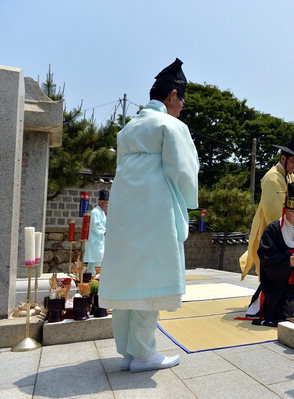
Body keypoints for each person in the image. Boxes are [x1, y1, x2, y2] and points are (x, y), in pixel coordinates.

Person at [99, 59, 199, 373]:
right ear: (172, 95)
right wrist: (187, 203)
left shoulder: (128, 128)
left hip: (126, 212)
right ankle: (144, 354)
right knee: (151, 282)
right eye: (181, 99)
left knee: (129, 280)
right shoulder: (171, 125)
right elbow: (183, 171)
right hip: (155, 212)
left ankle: (129, 350)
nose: (182, 106)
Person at [247, 182, 294, 326]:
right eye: (293, 212)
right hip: (280, 286)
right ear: (285, 210)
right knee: (284, 316)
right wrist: (286, 261)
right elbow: (266, 256)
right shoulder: (273, 230)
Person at [239, 136, 294, 280]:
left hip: (289, 226)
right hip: (274, 231)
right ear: (283, 158)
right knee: (271, 271)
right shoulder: (272, 177)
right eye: (293, 161)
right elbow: (274, 212)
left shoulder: (289, 176)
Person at [84, 190, 109, 275]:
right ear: (103, 202)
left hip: (100, 242)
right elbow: (95, 226)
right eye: (107, 203)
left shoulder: (102, 213)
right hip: (95, 243)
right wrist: (104, 231)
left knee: (99, 264)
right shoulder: (95, 212)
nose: (107, 206)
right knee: (94, 266)